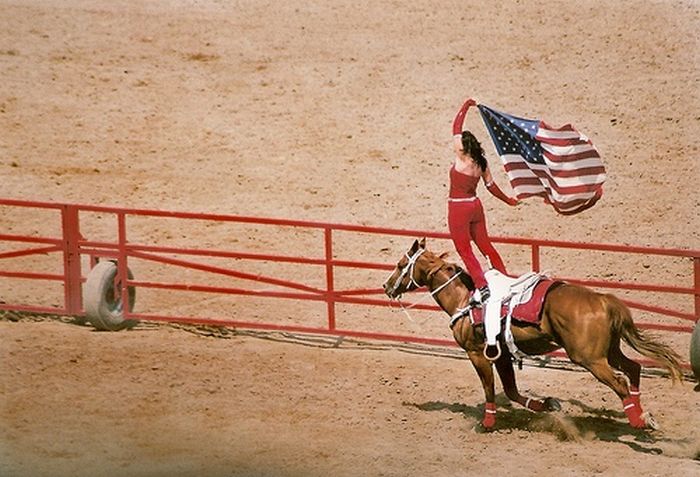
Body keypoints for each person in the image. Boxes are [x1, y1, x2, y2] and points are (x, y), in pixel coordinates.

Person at [447, 98, 519, 360]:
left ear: (463, 146)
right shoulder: (481, 163)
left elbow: (456, 127)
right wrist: (509, 200)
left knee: (465, 250)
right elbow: (491, 187)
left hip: (458, 207)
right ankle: (503, 276)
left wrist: (465, 106)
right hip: (476, 205)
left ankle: (483, 287)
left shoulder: (462, 157)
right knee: (485, 245)